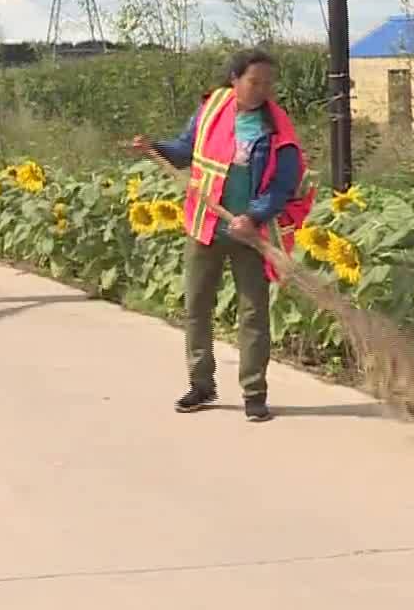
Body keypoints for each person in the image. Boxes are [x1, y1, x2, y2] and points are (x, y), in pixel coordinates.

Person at [131, 48, 312, 422]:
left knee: (253, 314)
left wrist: (254, 215)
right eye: (254, 81)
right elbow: (186, 150)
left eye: (267, 83)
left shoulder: (277, 128)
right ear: (235, 78)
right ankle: (201, 385)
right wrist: (156, 147)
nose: (261, 90)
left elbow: (283, 185)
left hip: (250, 234)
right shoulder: (212, 108)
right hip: (205, 226)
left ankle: (254, 392)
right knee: (197, 306)